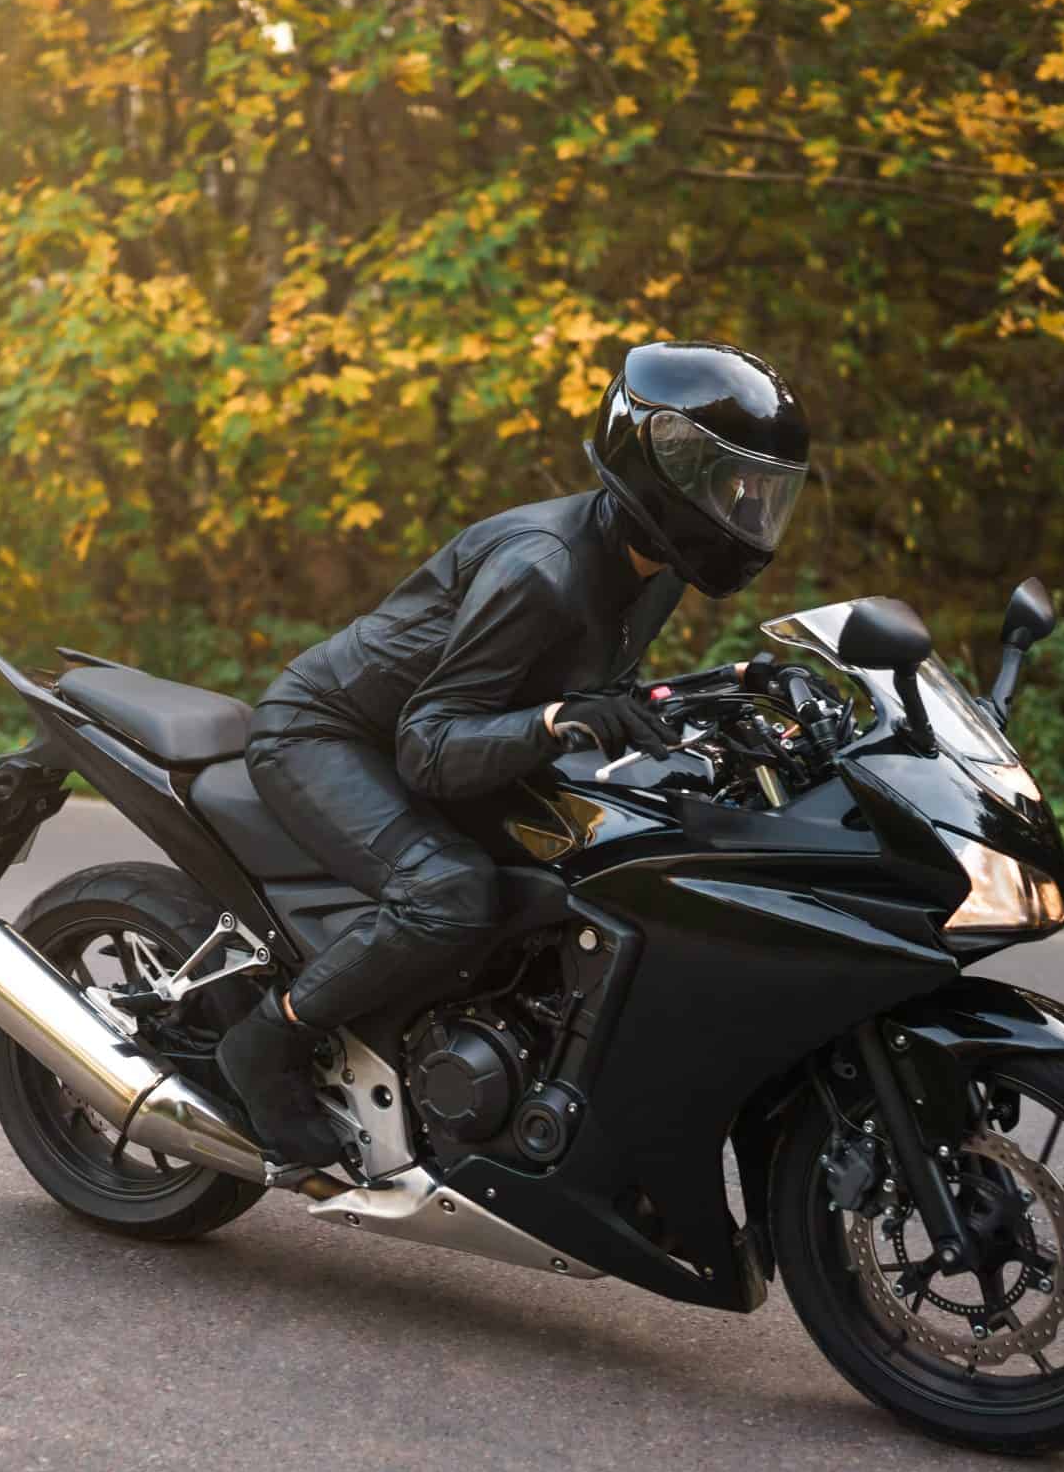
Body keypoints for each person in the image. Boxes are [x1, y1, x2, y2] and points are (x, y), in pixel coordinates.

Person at [216, 340, 812, 1166]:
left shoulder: (656, 568)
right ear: (665, 473)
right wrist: (559, 720)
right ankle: (264, 1044)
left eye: (763, 497)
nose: (748, 514)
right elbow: (427, 748)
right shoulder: (544, 571)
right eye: (735, 490)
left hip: (454, 731)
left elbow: (600, 686)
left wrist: (735, 684)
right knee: (450, 893)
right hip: (325, 732)